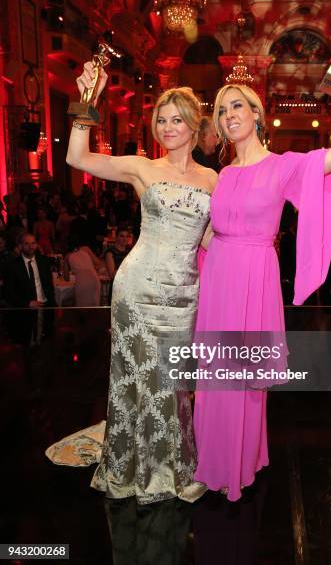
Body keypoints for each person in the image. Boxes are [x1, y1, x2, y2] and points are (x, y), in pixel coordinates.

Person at [193, 46, 331, 501]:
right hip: (219, 278)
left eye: (237, 106)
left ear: (257, 114)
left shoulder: (282, 165)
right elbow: (210, 234)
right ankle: (211, 459)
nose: (228, 115)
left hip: (254, 279)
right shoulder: (223, 172)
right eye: (222, 109)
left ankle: (238, 462)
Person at [59, 62, 217, 504]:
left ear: (193, 124)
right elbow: (77, 158)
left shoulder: (213, 180)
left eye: (176, 119)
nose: (168, 127)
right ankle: (135, 466)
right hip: (137, 291)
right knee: (138, 379)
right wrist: (87, 102)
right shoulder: (141, 168)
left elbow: (211, 241)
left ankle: (173, 463)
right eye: (161, 120)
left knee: (174, 384)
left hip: (186, 297)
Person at [3, 232, 56, 308]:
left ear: (37, 245)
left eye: (33, 243)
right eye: (27, 244)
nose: (31, 246)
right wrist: (27, 304)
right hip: (25, 308)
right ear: (20, 246)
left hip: (46, 305)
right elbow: (8, 293)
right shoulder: (12, 266)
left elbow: (49, 285)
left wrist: (52, 302)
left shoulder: (44, 261)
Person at [63, 233, 103, 307]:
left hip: (82, 282)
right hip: (93, 278)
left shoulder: (67, 256)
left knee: (82, 308)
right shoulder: (85, 249)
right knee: (95, 306)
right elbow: (98, 262)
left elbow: (66, 278)